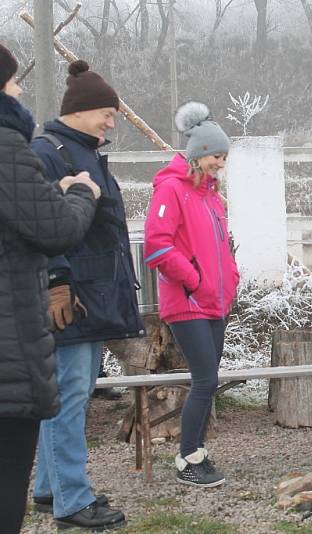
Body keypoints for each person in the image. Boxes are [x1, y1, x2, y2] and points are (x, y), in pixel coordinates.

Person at [30, 60, 143, 531]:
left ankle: (50, 488)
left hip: (94, 290)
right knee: (70, 398)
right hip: (72, 295)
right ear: (80, 110)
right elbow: (41, 225)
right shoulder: (49, 152)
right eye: (107, 113)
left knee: (65, 394)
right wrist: (57, 281)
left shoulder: (85, 150)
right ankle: (74, 502)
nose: (113, 121)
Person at [0, 43, 100, 534]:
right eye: (14, 82)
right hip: (10, 347)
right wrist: (81, 192)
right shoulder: (17, 147)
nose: (19, 91)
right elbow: (52, 229)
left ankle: (52, 489)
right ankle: (67, 496)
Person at [144, 102, 239, 487]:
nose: (221, 163)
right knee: (204, 380)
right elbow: (157, 245)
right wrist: (195, 281)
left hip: (213, 302)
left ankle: (197, 452)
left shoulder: (210, 196)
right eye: (218, 156)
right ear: (199, 154)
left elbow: (220, 250)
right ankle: (187, 458)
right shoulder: (171, 189)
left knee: (208, 379)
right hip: (188, 303)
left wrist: (229, 281)